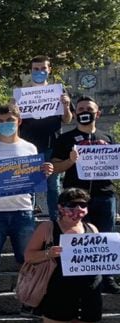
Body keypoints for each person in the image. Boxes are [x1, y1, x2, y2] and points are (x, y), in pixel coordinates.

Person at [0, 102, 54, 318]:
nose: (5, 124)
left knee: (26, 260)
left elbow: (34, 180)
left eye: (9, 120)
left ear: (19, 121)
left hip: (23, 211)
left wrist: (44, 172)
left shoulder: (30, 148)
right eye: (0, 121)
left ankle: (28, 302)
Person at [27, 188, 112, 323]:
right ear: (60, 208)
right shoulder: (48, 227)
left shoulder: (91, 227)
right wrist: (49, 253)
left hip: (89, 290)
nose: (78, 210)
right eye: (72, 205)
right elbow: (28, 255)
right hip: (58, 290)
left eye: (82, 205)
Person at [50, 96, 120, 294]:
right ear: (76, 113)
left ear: (98, 113)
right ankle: (74, 276)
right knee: (75, 237)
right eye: (80, 109)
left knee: (105, 238)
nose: (84, 112)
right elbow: (54, 167)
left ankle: (107, 278)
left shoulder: (108, 138)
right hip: (75, 197)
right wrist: (71, 161)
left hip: (104, 195)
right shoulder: (65, 139)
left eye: (88, 109)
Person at [21, 56, 73, 219]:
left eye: (43, 68)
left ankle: (55, 219)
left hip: (53, 145)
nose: (39, 72)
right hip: (29, 146)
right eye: (36, 69)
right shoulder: (22, 94)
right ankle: (28, 217)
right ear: (31, 71)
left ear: (49, 70)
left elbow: (67, 119)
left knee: (53, 185)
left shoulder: (59, 91)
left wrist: (65, 105)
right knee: (30, 184)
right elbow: (16, 120)